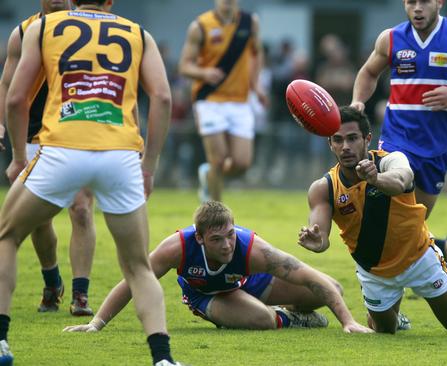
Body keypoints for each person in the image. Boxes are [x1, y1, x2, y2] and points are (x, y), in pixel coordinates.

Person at [0, 0, 179, 364]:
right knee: (138, 267)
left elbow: (16, 98)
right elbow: (162, 96)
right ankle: (162, 358)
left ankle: (1, 342)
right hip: (120, 155)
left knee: (7, 236)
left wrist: (19, 158)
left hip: (62, 149)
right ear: (110, 1)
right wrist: (150, 165)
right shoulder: (138, 34)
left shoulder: (43, 27)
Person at [297, 106, 447, 335]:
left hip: (418, 256)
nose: (346, 147)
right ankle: (392, 315)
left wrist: (375, 179)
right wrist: (317, 241)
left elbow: (401, 180)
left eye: (352, 138)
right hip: (373, 269)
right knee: (384, 330)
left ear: (367, 139)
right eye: (338, 140)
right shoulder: (324, 188)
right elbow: (321, 236)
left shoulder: (392, 161)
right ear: (330, 144)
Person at [64, 201, 373, 334]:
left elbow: (309, 274)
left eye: (229, 236)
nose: (226, 245)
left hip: (246, 282)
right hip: (207, 296)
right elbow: (134, 280)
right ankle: (286, 317)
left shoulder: (251, 249)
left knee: (332, 287)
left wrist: (347, 321)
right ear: (199, 238)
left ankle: (293, 308)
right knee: (260, 319)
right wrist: (96, 324)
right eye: (216, 239)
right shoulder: (177, 248)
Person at [350, 0, 447, 218]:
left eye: (424, 1)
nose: (417, 8)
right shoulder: (390, 38)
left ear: (439, 2)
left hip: (435, 146)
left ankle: (439, 248)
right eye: (411, 2)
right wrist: (358, 101)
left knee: (416, 218)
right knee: (391, 203)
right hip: (397, 138)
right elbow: (368, 72)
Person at [0, 0, 97, 317]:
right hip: (30, 136)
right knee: (38, 221)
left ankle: (80, 295)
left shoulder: (88, 30)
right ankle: (52, 280)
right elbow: (7, 84)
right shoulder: (23, 32)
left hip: (74, 132)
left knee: (81, 208)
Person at [179, 0, 267, 202]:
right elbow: (184, 66)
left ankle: (208, 175)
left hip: (240, 101)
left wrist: (256, 84)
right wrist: (203, 72)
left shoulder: (249, 22)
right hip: (209, 99)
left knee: (242, 163)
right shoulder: (200, 26)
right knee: (218, 159)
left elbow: (257, 52)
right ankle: (215, 212)